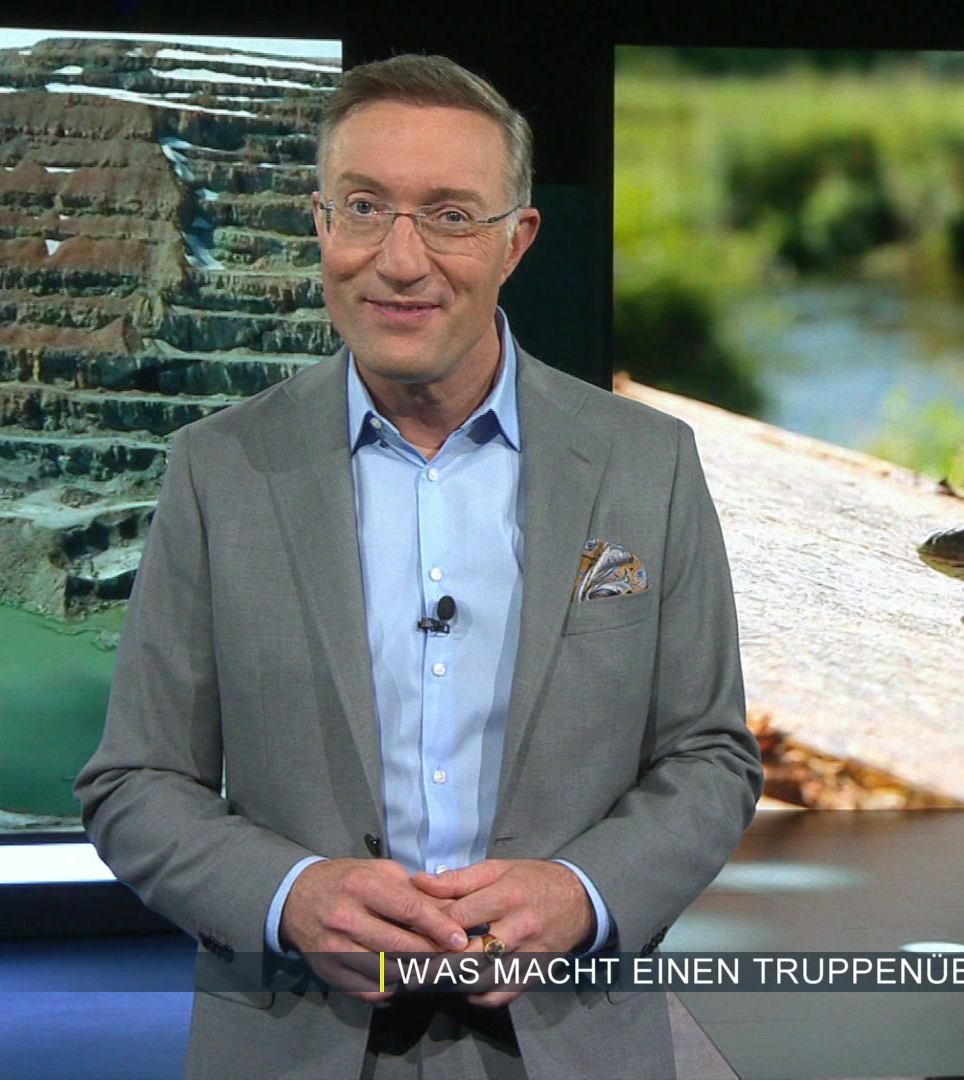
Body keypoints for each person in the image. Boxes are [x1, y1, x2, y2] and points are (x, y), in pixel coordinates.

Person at [75, 53, 762, 1079]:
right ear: (321, 225)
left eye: (449, 214)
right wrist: (290, 895)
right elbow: (136, 781)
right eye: (364, 208)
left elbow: (711, 755)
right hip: (297, 1038)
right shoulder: (219, 468)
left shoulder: (644, 463)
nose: (400, 261)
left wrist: (583, 892)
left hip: (567, 1043)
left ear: (515, 242)